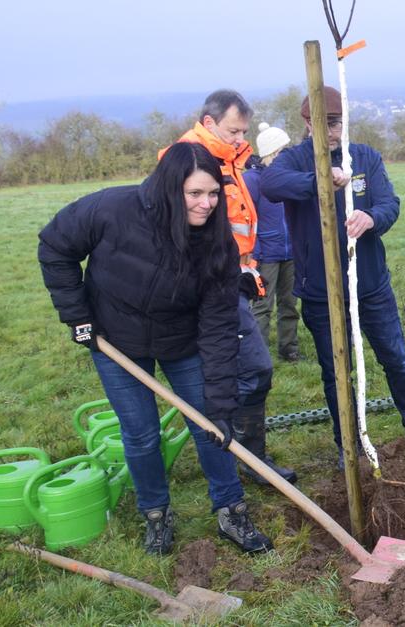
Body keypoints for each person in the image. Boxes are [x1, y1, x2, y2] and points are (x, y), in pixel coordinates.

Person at [38, 143, 274, 555]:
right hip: (116, 341)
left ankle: (230, 509)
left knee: (212, 427)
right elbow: (55, 246)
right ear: (170, 189)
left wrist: (219, 400)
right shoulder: (113, 208)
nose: (206, 204)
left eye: (213, 194)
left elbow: (219, 327)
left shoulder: (216, 243)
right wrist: (77, 317)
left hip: (182, 342)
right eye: (195, 194)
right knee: (142, 434)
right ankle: (156, 514)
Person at [260, 86, 405, 464]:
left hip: (370, 285)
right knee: (336, 370)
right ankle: (347, 443)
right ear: (307, 124)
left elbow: (390, 204)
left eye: (337, 122)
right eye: (323, 123)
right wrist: (322, 179)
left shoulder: (366, 158)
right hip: (321, 291)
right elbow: (271, 185)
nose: (332, 130)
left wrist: (371, 217)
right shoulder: (293, 160)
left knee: (396, 358)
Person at [164, 89, 296, 485]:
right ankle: (245, 459)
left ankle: (246, 456)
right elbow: (181, 231)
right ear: (209, 124)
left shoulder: (228, 159)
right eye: (234, 131)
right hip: (211, 285)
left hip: (233, 276)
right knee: (253, 369)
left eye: (243, 132)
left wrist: (245, 267)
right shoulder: (189, 162)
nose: (242, 140)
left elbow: (233, 225)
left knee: (242, 370)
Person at [246, 122, 302, 362]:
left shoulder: (290, 177)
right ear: (272, 152)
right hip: (265, 255)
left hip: (291, 252)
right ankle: (258, 355)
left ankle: (289, 349)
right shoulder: (251, 180)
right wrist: (255, 253)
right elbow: (247, 219)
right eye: (282, 149)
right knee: (262, 307)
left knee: (290, 304)